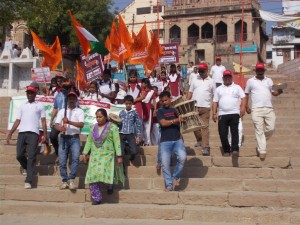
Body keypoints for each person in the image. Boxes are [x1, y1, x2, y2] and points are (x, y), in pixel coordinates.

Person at [6, 83, 47, 189]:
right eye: (28, 92)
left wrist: (45, 135)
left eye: (31, 92)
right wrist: (10, 133)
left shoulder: (40, 105)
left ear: (35, 93)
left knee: (31, 156)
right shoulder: (22, 106)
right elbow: (17, 120)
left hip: (34, 133)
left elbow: (43, 121)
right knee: (19, 155)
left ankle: (28, 180)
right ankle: (26, 167)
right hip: (22, 133)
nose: (29, 94)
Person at [82, 108, 125, 205]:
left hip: (107, 155)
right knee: (92, 177)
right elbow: (89, 141)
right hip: (95, 156)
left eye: (100, 117)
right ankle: (97, 198)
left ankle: (110, 185)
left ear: (105, 117)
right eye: (97, 117)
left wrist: (119, 155)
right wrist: (85, 153)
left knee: (104, 173)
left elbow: (117, 141)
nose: (98, 119)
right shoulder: (93, 128)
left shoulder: (113, 127)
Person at [245, 62, 283, 160]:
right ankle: (262, 150)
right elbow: (246, 94)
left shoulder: (269, 80)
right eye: (258, 70)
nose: (260, 71)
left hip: (269, 108)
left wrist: (278, 92)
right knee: (259, 130)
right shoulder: (250, 81)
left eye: (261, 70)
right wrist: (246, 106)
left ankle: (260, 142)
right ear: (255, 71)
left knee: (271, 128)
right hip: (256, 109)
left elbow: (273, 93)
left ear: (264, 71)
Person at [54, 91, 84, 190]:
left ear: (76, 100)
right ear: (67, 100)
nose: (71, 100)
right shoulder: (62, 111)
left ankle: (71, 179)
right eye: (69, 98)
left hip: (74, 138)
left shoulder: (80, 111)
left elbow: (81, 124)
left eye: (73, 98)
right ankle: (64, 180)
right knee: (62, 161)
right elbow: (56, 125)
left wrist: (69, 122)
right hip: (63, 138)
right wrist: (61, 128)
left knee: (75, 158)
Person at [212, 70, 246, 156]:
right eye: (225, 77)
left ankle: (235, 149)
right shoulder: (218, 89)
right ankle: (226, 149)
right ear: (223, 78)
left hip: (234, 113)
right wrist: (214, 113)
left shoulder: (237, 87)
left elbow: (244, 98)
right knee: (222, 133)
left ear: (231, 77)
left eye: (229, 77)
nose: (227, 78)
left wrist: (242, 108)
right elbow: (215, 102)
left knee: (234, 131)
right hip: (222, 114)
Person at [157, 91, 186, 191]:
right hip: (165, 141)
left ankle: (175, 177)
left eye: (166, 100)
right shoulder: (160, 111)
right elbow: (163, 123)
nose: (164, 102)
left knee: (182, 158)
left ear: (170, 99)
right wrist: (176, 120)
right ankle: (169, 185)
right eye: (162, 101)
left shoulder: (176, 110)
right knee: (165, 164)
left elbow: (184, 119)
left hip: (178, 139)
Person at [186, 62, 215, 156]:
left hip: (206, 107)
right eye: (199, 71)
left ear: (207, 71)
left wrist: (215, 109)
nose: (201, 73)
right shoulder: (195, 79)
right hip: (194, 106)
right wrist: (186, 102)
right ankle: (199, 140)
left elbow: (215, 96)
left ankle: (206, 147)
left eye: (202, 71)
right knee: (194, 126)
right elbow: (190, 92)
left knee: (205, 127)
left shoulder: (211, 81)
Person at [119, 95, 142, 162]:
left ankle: (131, 157)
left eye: (130, 104)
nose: (128, 105)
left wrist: (138, 136)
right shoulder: (121, 112)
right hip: (121, 133)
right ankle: (123, 169)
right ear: (124, 103)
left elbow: (138, 124)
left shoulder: (135, 112)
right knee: (121, 152)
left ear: (132, 103)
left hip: (130, 133)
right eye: (127, 104)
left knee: (134, 151)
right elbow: (119, 122)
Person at [141, 78, 156, 146]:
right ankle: (142, 140)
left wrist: (155, 110)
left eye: (143, 83)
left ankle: (147, 141)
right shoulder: (141, 91)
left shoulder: (151, 92)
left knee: (147, 125)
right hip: (141, 109)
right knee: (141, 125)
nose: (142, 84)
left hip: (148, 109)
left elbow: (154, 101)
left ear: (146, 84)